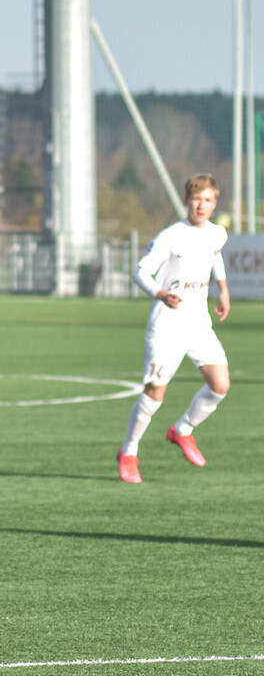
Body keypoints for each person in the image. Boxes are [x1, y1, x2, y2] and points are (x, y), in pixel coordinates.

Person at [116, 173, 230, 484]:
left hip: (198, 324)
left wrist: (222, 288)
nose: (201, 205)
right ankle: (128, 451)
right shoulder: (170, 236)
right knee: (155, 394)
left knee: (220, 385)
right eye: (196, 199)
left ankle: (182, 430)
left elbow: (214, 255)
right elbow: (141, 272)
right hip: (166, 326)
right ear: (187, 201)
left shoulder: (217, 233)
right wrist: (161, 293)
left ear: (214, 203)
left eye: (207, 200)